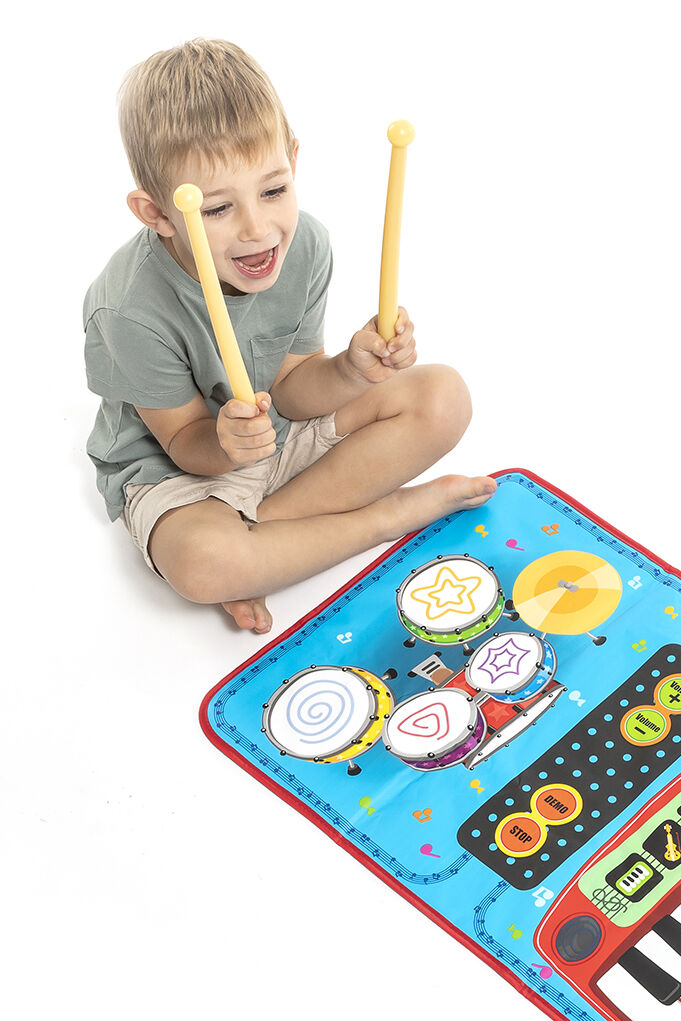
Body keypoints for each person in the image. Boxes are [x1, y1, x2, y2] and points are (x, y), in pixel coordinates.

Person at [84, 38, 496, 635]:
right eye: (217, 209)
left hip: (277, 435)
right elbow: (182, 443)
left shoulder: (304, 245)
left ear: (294, 162)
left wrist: (352, 371)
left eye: (273, 191)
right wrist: (225, 444)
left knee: (443, 397)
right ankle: (382, 519)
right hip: (183, 468)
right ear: (157, 215)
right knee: (205, 563)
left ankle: (270, 533)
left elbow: (295, 389)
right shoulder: (127, 309)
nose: (258, 230)